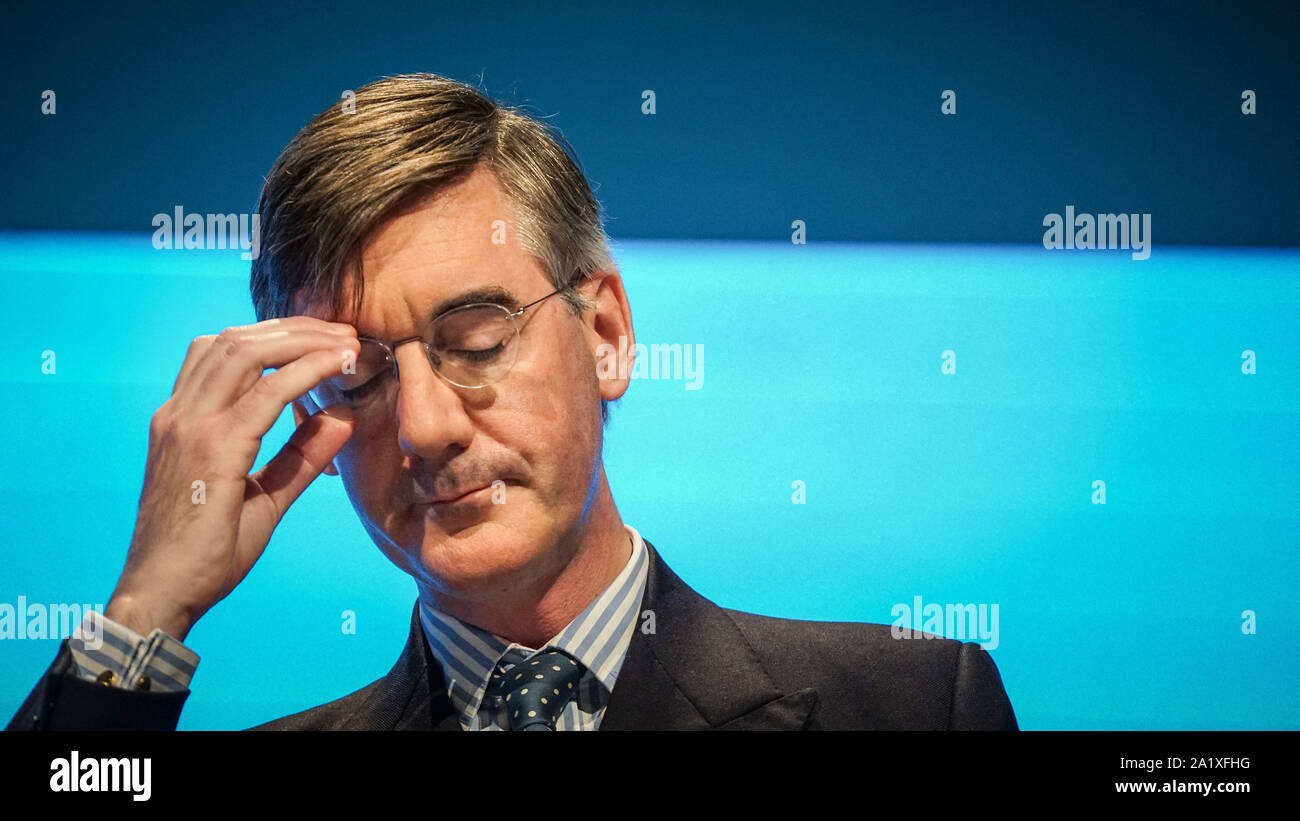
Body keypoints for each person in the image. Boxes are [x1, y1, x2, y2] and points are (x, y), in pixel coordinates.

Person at [8, 73, 1016, 731]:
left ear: (607, 335)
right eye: (357, 376)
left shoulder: (911, 704)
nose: (427, 426)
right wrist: (143, 616)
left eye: (476, 341)